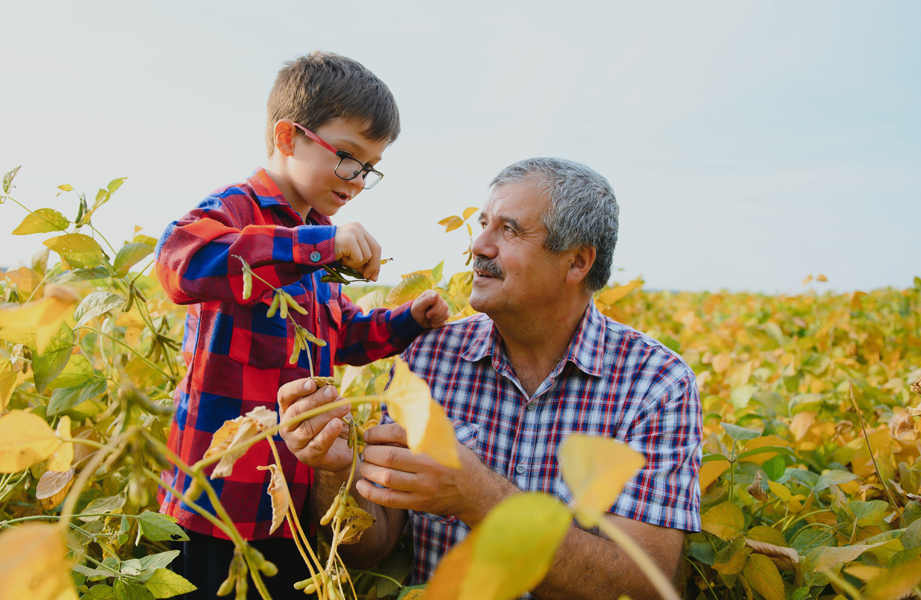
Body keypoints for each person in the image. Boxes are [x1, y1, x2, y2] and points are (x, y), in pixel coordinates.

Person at [278, 158, 703, 599]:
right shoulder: (429, 356)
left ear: (576, 262)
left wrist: (479, 497)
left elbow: (643, 586)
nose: (478, 246)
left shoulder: (656, 384)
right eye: (483, 224)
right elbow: (372, 545)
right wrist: (336, 470)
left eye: (510, 230)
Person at [153, 51, 450, 599]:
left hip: (290, 498)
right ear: (289, 137)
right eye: (348, 157)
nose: (358, 180)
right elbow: (178, 260)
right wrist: (316, 246)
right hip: (217, 499)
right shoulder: (242, 213)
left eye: (370, 166)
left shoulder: (316, 241)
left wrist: (408, 320)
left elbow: (343, 336)